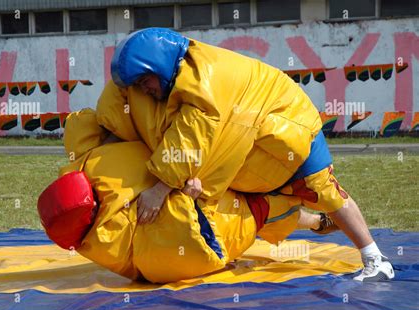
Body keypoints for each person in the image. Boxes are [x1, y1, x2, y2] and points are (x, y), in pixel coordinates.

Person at [105, 28, 394, 282]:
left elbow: (193, 134)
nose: (143, 89)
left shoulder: (202, 80)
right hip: (251, 151)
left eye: (145, 80)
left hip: (290, 131)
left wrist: (162, 188)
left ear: (159, 65)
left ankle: (376, 260)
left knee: (324, 191)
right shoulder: (175, 82)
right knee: (257, 210)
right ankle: (318, 223)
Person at [37, 108, 330, 283]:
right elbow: (185, 247)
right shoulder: (117, 241)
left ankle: (310, 205)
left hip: (194, 169)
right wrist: (189, 199)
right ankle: (317, 221)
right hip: (214, 221)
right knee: (265, 209)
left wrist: (120, 130)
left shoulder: (89, 164)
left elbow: (86, 122)